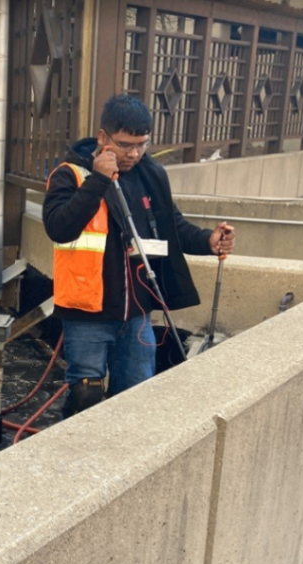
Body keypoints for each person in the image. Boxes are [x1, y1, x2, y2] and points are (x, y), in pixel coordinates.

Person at [42, 94, 235, 417]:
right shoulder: (70, 175)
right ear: (102, 138)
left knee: (135, 398)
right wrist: (98, 181)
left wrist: (208, 241)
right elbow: (59, 227)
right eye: (124, 145)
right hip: (87, 310)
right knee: (85, 395)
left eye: (142, 145)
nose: (133, 154)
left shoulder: (149, 175)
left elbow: (171, 226)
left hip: (137, 312)